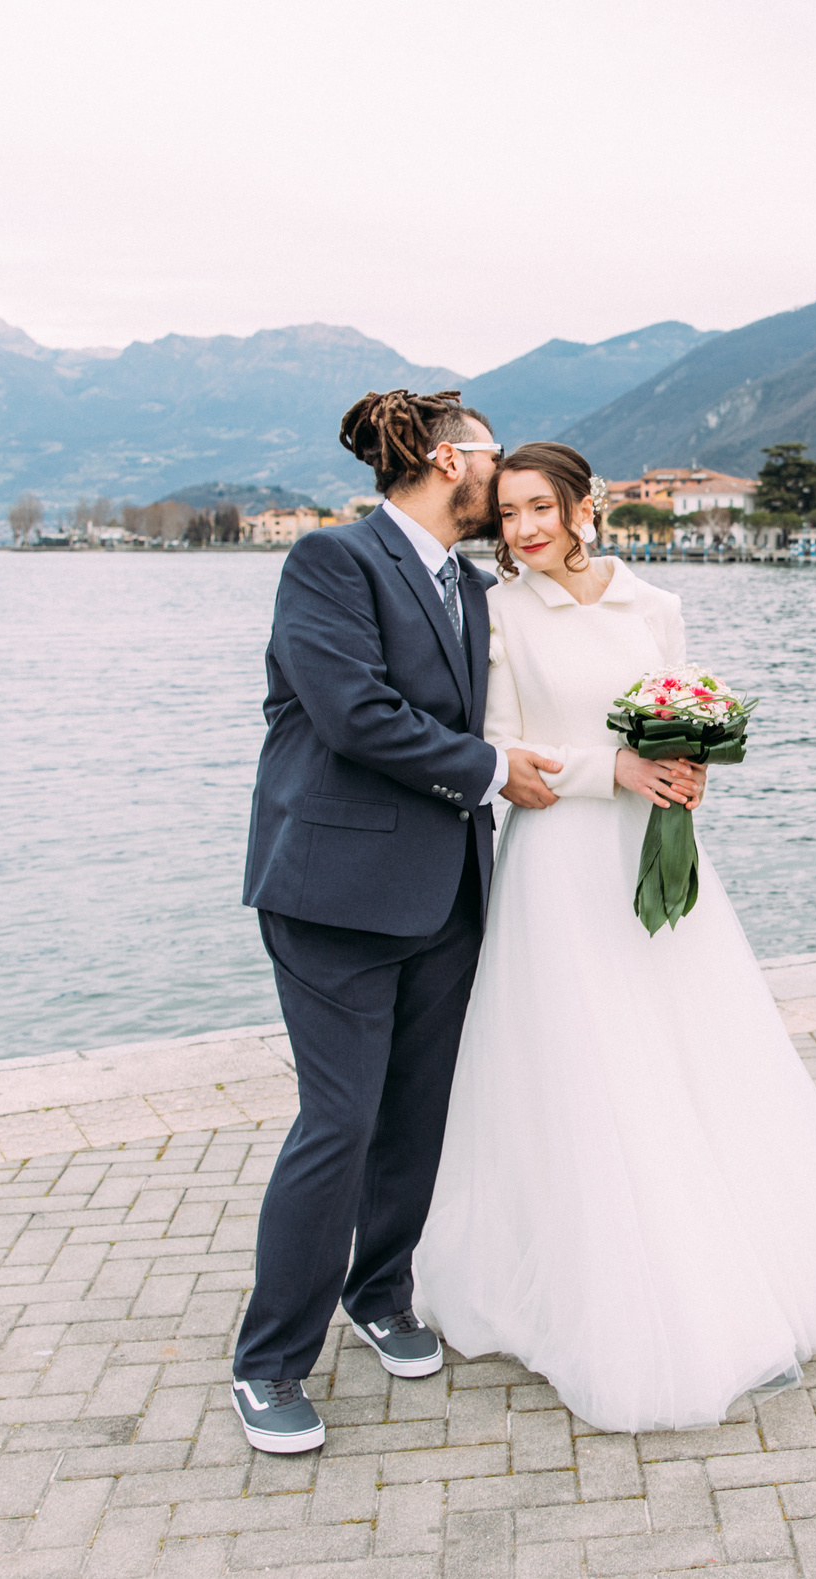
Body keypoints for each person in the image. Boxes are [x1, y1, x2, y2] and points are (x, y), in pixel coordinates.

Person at [414, 441, 816, 1433]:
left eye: (540, 508)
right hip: (558, 865)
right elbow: (506, 753)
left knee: (685, 1050)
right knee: (585, 1065)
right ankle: (586, 1283)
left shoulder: (655, 608)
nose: (523, 530)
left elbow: (677, 715)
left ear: (586, 507)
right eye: (507, 514)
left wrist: (686, 770)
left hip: (656, 857)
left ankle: (720, 1257)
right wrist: (616, 773)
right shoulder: (497, 614)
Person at [229, 390, 568, 1454]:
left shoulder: (471, 585)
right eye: (489, 455)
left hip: (447, 891)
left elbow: (519, 701)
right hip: (332, 892)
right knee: (339, 1124)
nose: (500, 473)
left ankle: (380, 1294)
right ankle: (269, 1363)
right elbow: (351, 711)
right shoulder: (331, 565)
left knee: (416, 1116)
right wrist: (487, 769)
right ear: (441, 458)